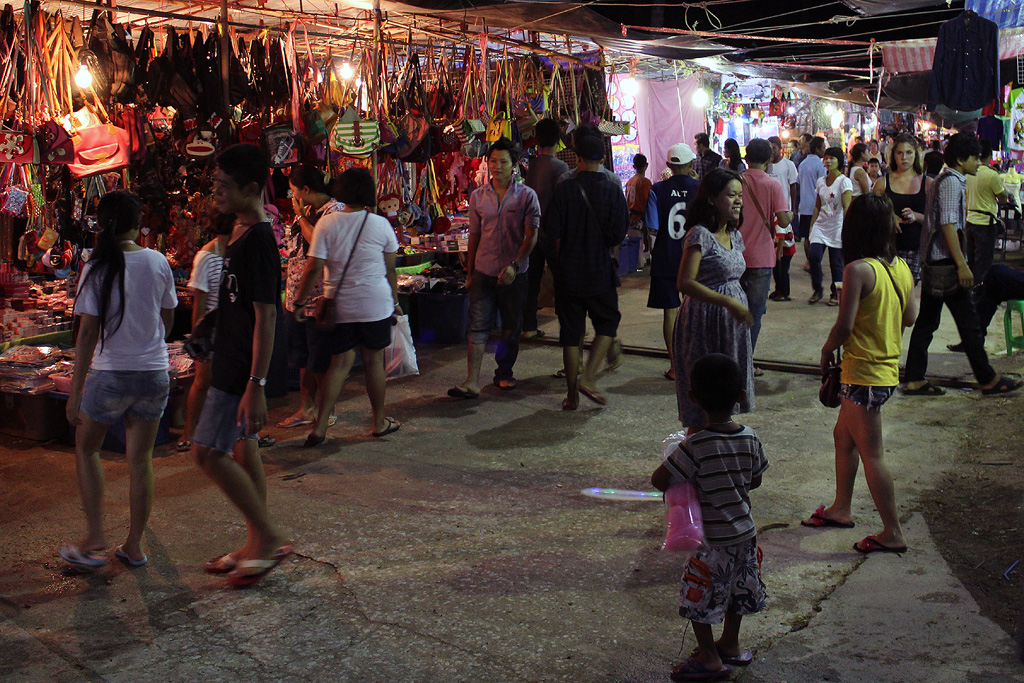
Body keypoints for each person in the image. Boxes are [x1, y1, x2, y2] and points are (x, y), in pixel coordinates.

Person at [59, 191, 177, 569]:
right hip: (154, 373)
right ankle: (134, 545)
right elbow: (168, 320)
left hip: (110, 375)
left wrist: (75, 392)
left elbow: (87, 333)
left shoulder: (96, 264)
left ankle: (95, 535)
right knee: (140, 460)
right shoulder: (157, 260)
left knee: (87, 449)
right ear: (137, 222)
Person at [191, 144, 290, 587]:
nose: (216, 191)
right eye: (214, 182)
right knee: (236, 451)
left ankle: (266, 537)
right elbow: (235, 301)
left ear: (251, 188)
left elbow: (267, 315)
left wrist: (257, 383)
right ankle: (256, 540)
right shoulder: (238, 229)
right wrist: (210, 325)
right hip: (229, 357)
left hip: (241, 369)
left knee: (207, 453)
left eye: (224, 185)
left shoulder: (261, 243)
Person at [804, 194, 917, 554]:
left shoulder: (858, 270)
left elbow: (844, 326)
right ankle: (841, 508)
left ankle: (892, 532)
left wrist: (825, 350)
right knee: (843, 437)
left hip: (864, 373)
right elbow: (911, 317)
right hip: (883, 371)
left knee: (873, 454)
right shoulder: (899, 267)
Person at [651, 353, 768, 681]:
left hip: (711, 541)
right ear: (741, 396)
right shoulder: (750, 437)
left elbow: (659, 479)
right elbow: (755, 479)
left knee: (697, 597)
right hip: (745, 533)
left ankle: (709, 657)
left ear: (693, 397)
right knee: (737, 590)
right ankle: (730, 644)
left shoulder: (695, 445)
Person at [904, 133, 1023, 396]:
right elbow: (948, 225)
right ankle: (987, 378)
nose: (979, 163)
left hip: (938, 262)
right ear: (961, 159)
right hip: (945, 263)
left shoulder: (948, 180)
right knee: (967, 323)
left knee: (929, 322)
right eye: (974, 158)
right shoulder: (951, 183)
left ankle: (914, 377)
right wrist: (962, 265)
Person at [293, 168, 402, 445]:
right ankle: (379, 422)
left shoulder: (327, 225)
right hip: (375, 305)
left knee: (338, 365)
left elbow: (313, 267)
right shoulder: (380, 225)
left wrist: (300, 301)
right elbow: (391, 271)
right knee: (373, 363)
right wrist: (396, 302)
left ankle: (320, 428)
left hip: (340, 306)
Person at [449, 137, 541, 398]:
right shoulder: (478, 197)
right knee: (477, 325)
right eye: (492, 161)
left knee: (510, 328)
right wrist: (469, 273)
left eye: (503, 161)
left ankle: (504, 373)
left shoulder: (527, 196)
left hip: (514, 274)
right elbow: (475, 235)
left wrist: (515, 264)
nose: (496, 166)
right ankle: (471, 380)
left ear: (514, 164)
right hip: (483, 271)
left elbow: (531, 236)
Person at [542, 133, 628, 409]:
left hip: (568, 271)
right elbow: (618, 234)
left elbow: (550, 231)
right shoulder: (613, 189)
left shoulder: (564, 188)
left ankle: (572, 395)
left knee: (570, 333)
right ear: (602, 160)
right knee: (607, 324)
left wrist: (558, 262)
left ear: (577, 159)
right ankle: (589, 378)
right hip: (600, 270)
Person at [673, 168, 754, 433]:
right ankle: (697, 451)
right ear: (711, 199)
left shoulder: (735, 235)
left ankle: (721, 447)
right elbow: (685, 283)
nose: (738, 201)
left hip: (730, 325)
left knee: (727, 390)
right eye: (731, 195)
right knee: (706, 391)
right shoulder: (699, 234)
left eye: (740, 195)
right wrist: (728, 302)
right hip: (703, 321)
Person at [278, 164, 345, 429]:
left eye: (294, 190)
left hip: (318, 297)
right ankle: (306, 408)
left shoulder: (334, 211)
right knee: (302, 356)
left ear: (306, 190)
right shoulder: (305, 212)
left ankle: (327, 410)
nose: (291, 195)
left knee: (320, 359)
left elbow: (319, 245)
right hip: (296, 295)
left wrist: (302, 218)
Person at [177, 212, 232, 452]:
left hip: (234, 327)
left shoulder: (236, 251)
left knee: (235, 380)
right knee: (202, 381)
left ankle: (244, 434)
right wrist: (197, 335)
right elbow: (199, 300)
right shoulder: (206, 256)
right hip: (211, 329)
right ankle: (189, 432)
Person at [646, 143, 700, 380]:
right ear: (691, 164)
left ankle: (675, 366)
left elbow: (652, 228)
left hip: (665, 258)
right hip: (695, 258)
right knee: (696, 311)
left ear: (668, 165)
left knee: (671, 312)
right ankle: (696, 364)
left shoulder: (657, 189)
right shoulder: (701, 189)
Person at [738, 139, 791, 354]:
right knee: (754, 314)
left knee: (733, 312)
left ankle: (733, 358)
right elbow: (784, 221)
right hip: (761, 257)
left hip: (734, 255)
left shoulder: (735, 181)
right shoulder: (772, 185)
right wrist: (790, 215)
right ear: (769, 159)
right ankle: (747, 361)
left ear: (746, 158)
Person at [522, 118, 570, 340]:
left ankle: (529, 327)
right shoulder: (560, 167)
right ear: (559, 139)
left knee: (532, 280)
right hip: (552, 232)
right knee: (561, 279)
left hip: (533, 230)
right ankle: (566, 328)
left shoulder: (533, 164)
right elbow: (561, 203)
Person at [873, 132, 930, 282]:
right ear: (893, 155)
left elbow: (936, 220)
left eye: (909, 152)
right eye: (900, 153)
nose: (904, 157)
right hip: (887, 247)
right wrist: (889, 217)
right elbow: (870, 212)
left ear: (916, 155)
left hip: (916, 249)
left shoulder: (928, 183)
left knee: (907, 291)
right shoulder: (882, 182)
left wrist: (916, 216)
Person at [808, 147, 853, 306]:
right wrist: (812, 225)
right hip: (821, 225)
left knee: (836, 263)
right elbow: (817, 205)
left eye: (832, 158)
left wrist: (847, 229)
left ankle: (836, 292)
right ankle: (817, 289)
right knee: (813, 256)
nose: (828, 161)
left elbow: (847, 206)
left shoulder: (844, 182)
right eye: (826, 158)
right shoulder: (821, 181)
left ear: (839, 160)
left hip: (837, 226)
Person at [964, 140, 1009, 287]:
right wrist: (1005, 195)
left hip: (970, 221)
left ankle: (969, 290)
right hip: (985, 223)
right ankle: (978, 292)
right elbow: (1003, 197)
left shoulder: (968, 174)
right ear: (989, 155)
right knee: (983, 262)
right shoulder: (992, 175)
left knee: (971, 260)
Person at [796, 137, 826, 263]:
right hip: (815, 206)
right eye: (823, 148)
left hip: (804, 206)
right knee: (816, 237)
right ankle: (811, 262)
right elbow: (823, 186)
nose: (824, 150)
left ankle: (808, 261)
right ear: (818, 149)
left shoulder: (802, 164)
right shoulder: (820, 165)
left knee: (807, 237)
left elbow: (798, 183)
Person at [624, 153, 653, 264]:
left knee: (635, 248)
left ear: (633, 167)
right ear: (646, 165)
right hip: (642, 218)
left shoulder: (629, 182)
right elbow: (648, 202)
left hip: (631, 217)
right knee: (644, 245)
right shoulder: (646, 182)